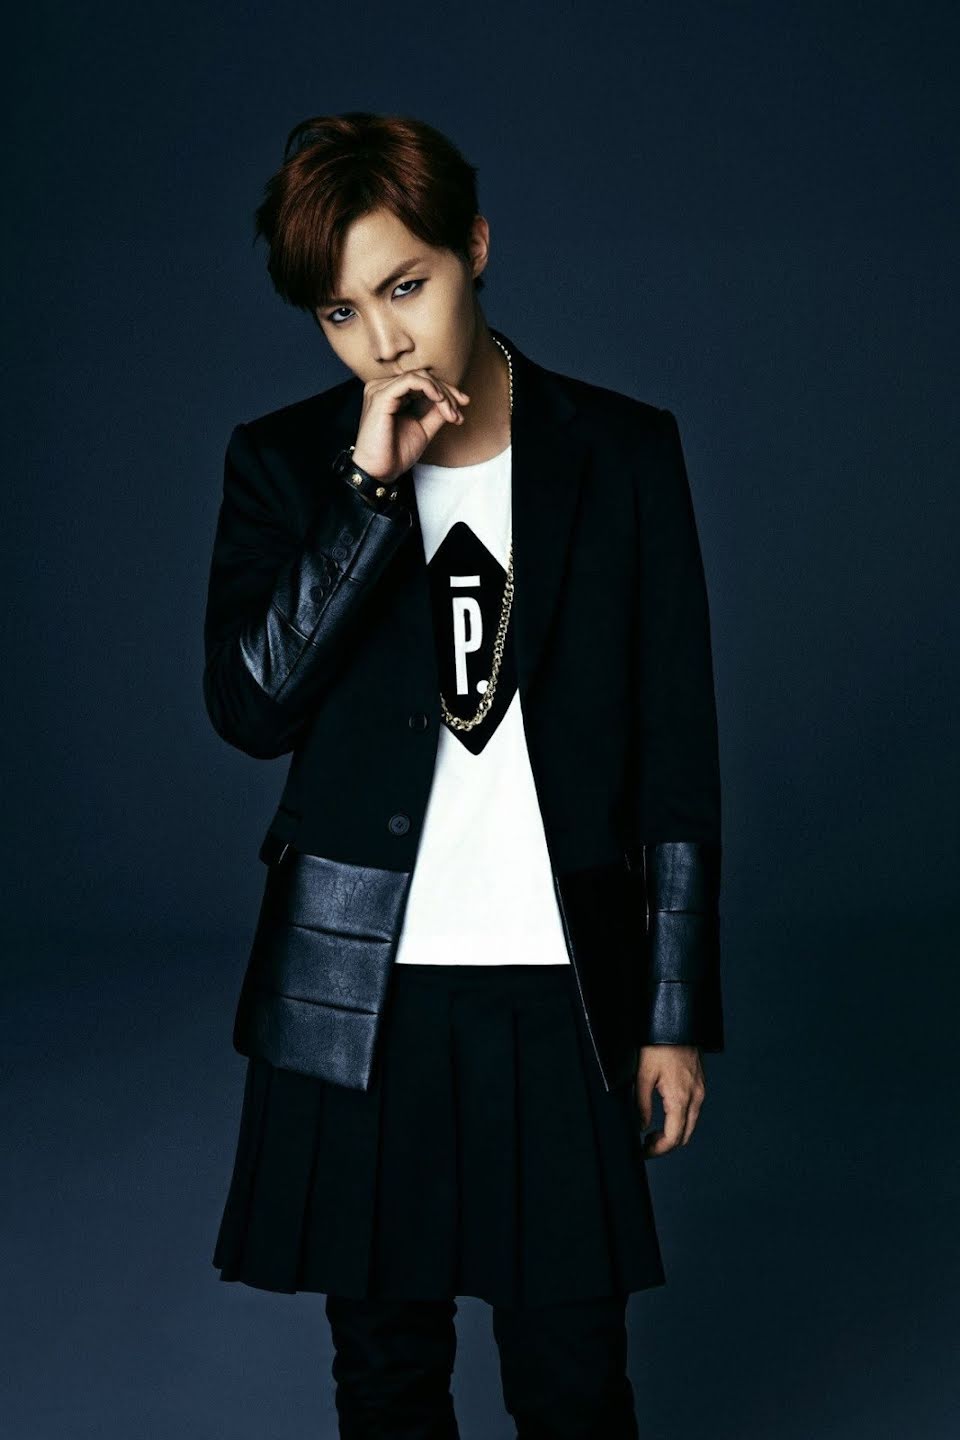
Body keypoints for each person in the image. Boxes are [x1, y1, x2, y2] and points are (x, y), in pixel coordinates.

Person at [202, 110, 724, 1440]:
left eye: (406, 287)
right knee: (385, 1380)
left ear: (475, 247)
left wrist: (672, 1013)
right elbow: (251, 710)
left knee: (574, 1382)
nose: (383, 342)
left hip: (564, 987)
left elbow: (676, 750)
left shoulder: (622, 452)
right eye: (341, 313)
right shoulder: (287, 465)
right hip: (358, 995)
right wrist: (369, 497)